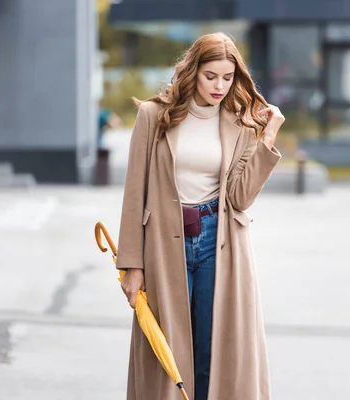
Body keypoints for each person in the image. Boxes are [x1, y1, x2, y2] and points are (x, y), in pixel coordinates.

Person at [115, 32, 285, 400]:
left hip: (218, 239)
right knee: (168, 351)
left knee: (214, 350)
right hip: (163, 240)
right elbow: (134, 193)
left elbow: (239, 198)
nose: (220, 86)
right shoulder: (153, 116)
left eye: (228, 77)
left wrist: (267, 138)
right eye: (211, 76)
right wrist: (131, 264)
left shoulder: (240, 123)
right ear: (193, 70)